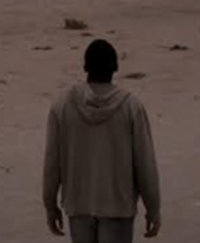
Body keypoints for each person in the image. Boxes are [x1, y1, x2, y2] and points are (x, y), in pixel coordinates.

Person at [43, 39, 161, 241]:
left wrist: (50, 205)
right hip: (118, 207)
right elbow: (145, 164)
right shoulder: (131, 107)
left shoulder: (62, 106)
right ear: (115, 67)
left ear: (85, 67)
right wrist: (153, 207)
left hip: (78, 205)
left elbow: (52, 164)